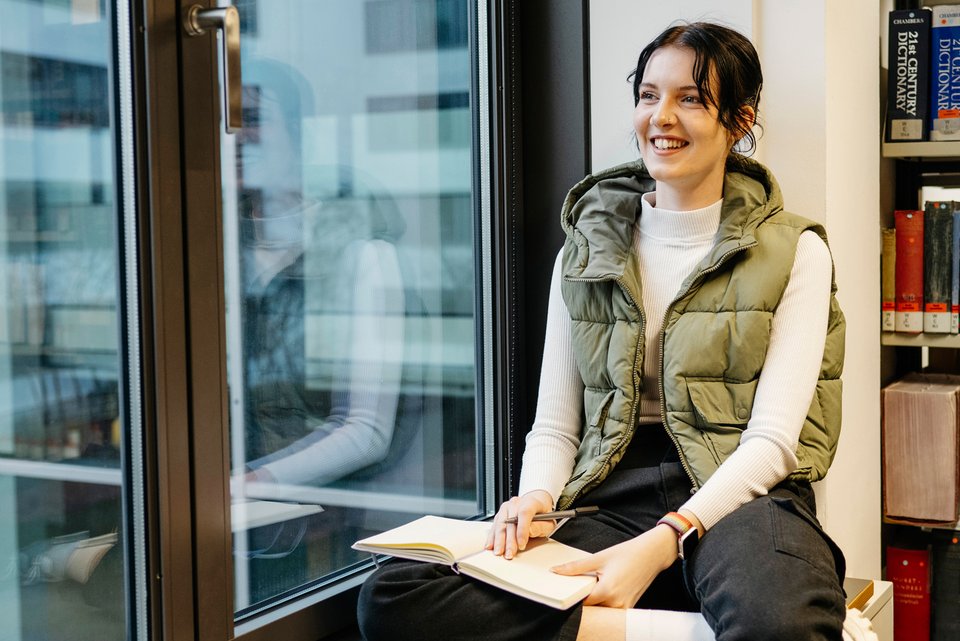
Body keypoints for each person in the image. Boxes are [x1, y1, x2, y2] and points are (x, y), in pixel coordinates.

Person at [357, 21, 854, 641]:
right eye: (648, 95)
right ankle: (667, 618)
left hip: (744, 497)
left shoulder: (797, 250)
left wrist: (665, 541)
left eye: (690, 99)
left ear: (740, 119)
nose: (660, 117)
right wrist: (535, 498)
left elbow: (774, 441)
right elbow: (557, 422)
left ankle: (645, 601)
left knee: (780, 625)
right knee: (394, 596)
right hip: (611, 496)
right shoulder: (587, 250)